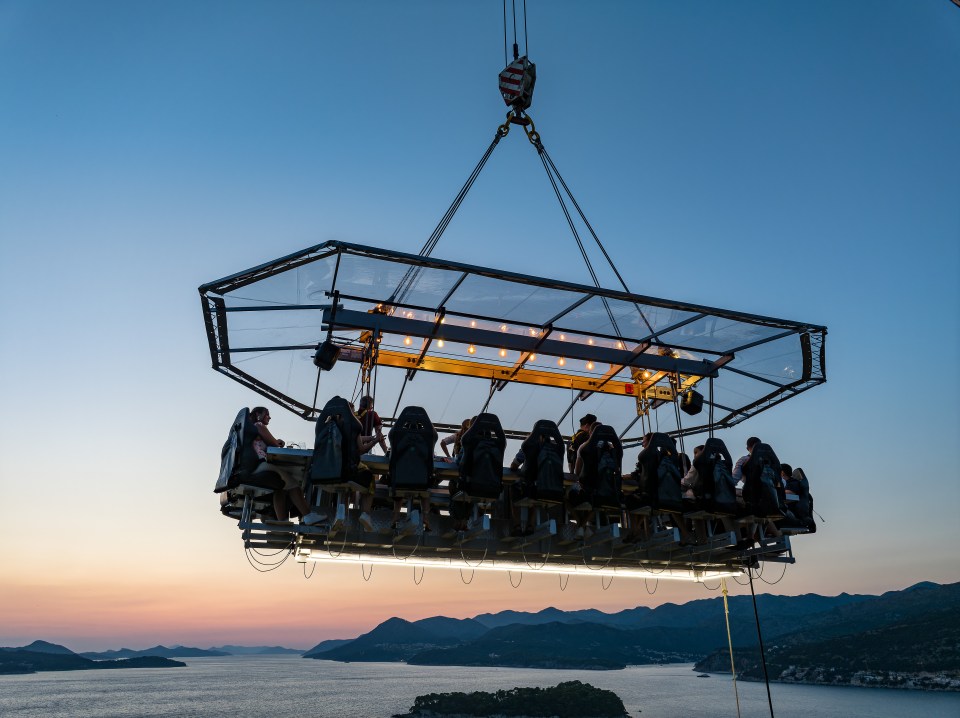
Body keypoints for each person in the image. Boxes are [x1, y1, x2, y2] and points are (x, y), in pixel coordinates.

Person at [248, 407, 325, 525]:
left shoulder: (250, 427)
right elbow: (273, 443)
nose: (269, 417)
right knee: (294, 484)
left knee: (280, 487)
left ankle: (282, 521)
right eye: (267, 414)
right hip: (260, 464)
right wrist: (278, 441)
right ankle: (308, 515)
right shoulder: (258, 425)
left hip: (254, 465)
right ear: (258, 414)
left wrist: (276, 441)